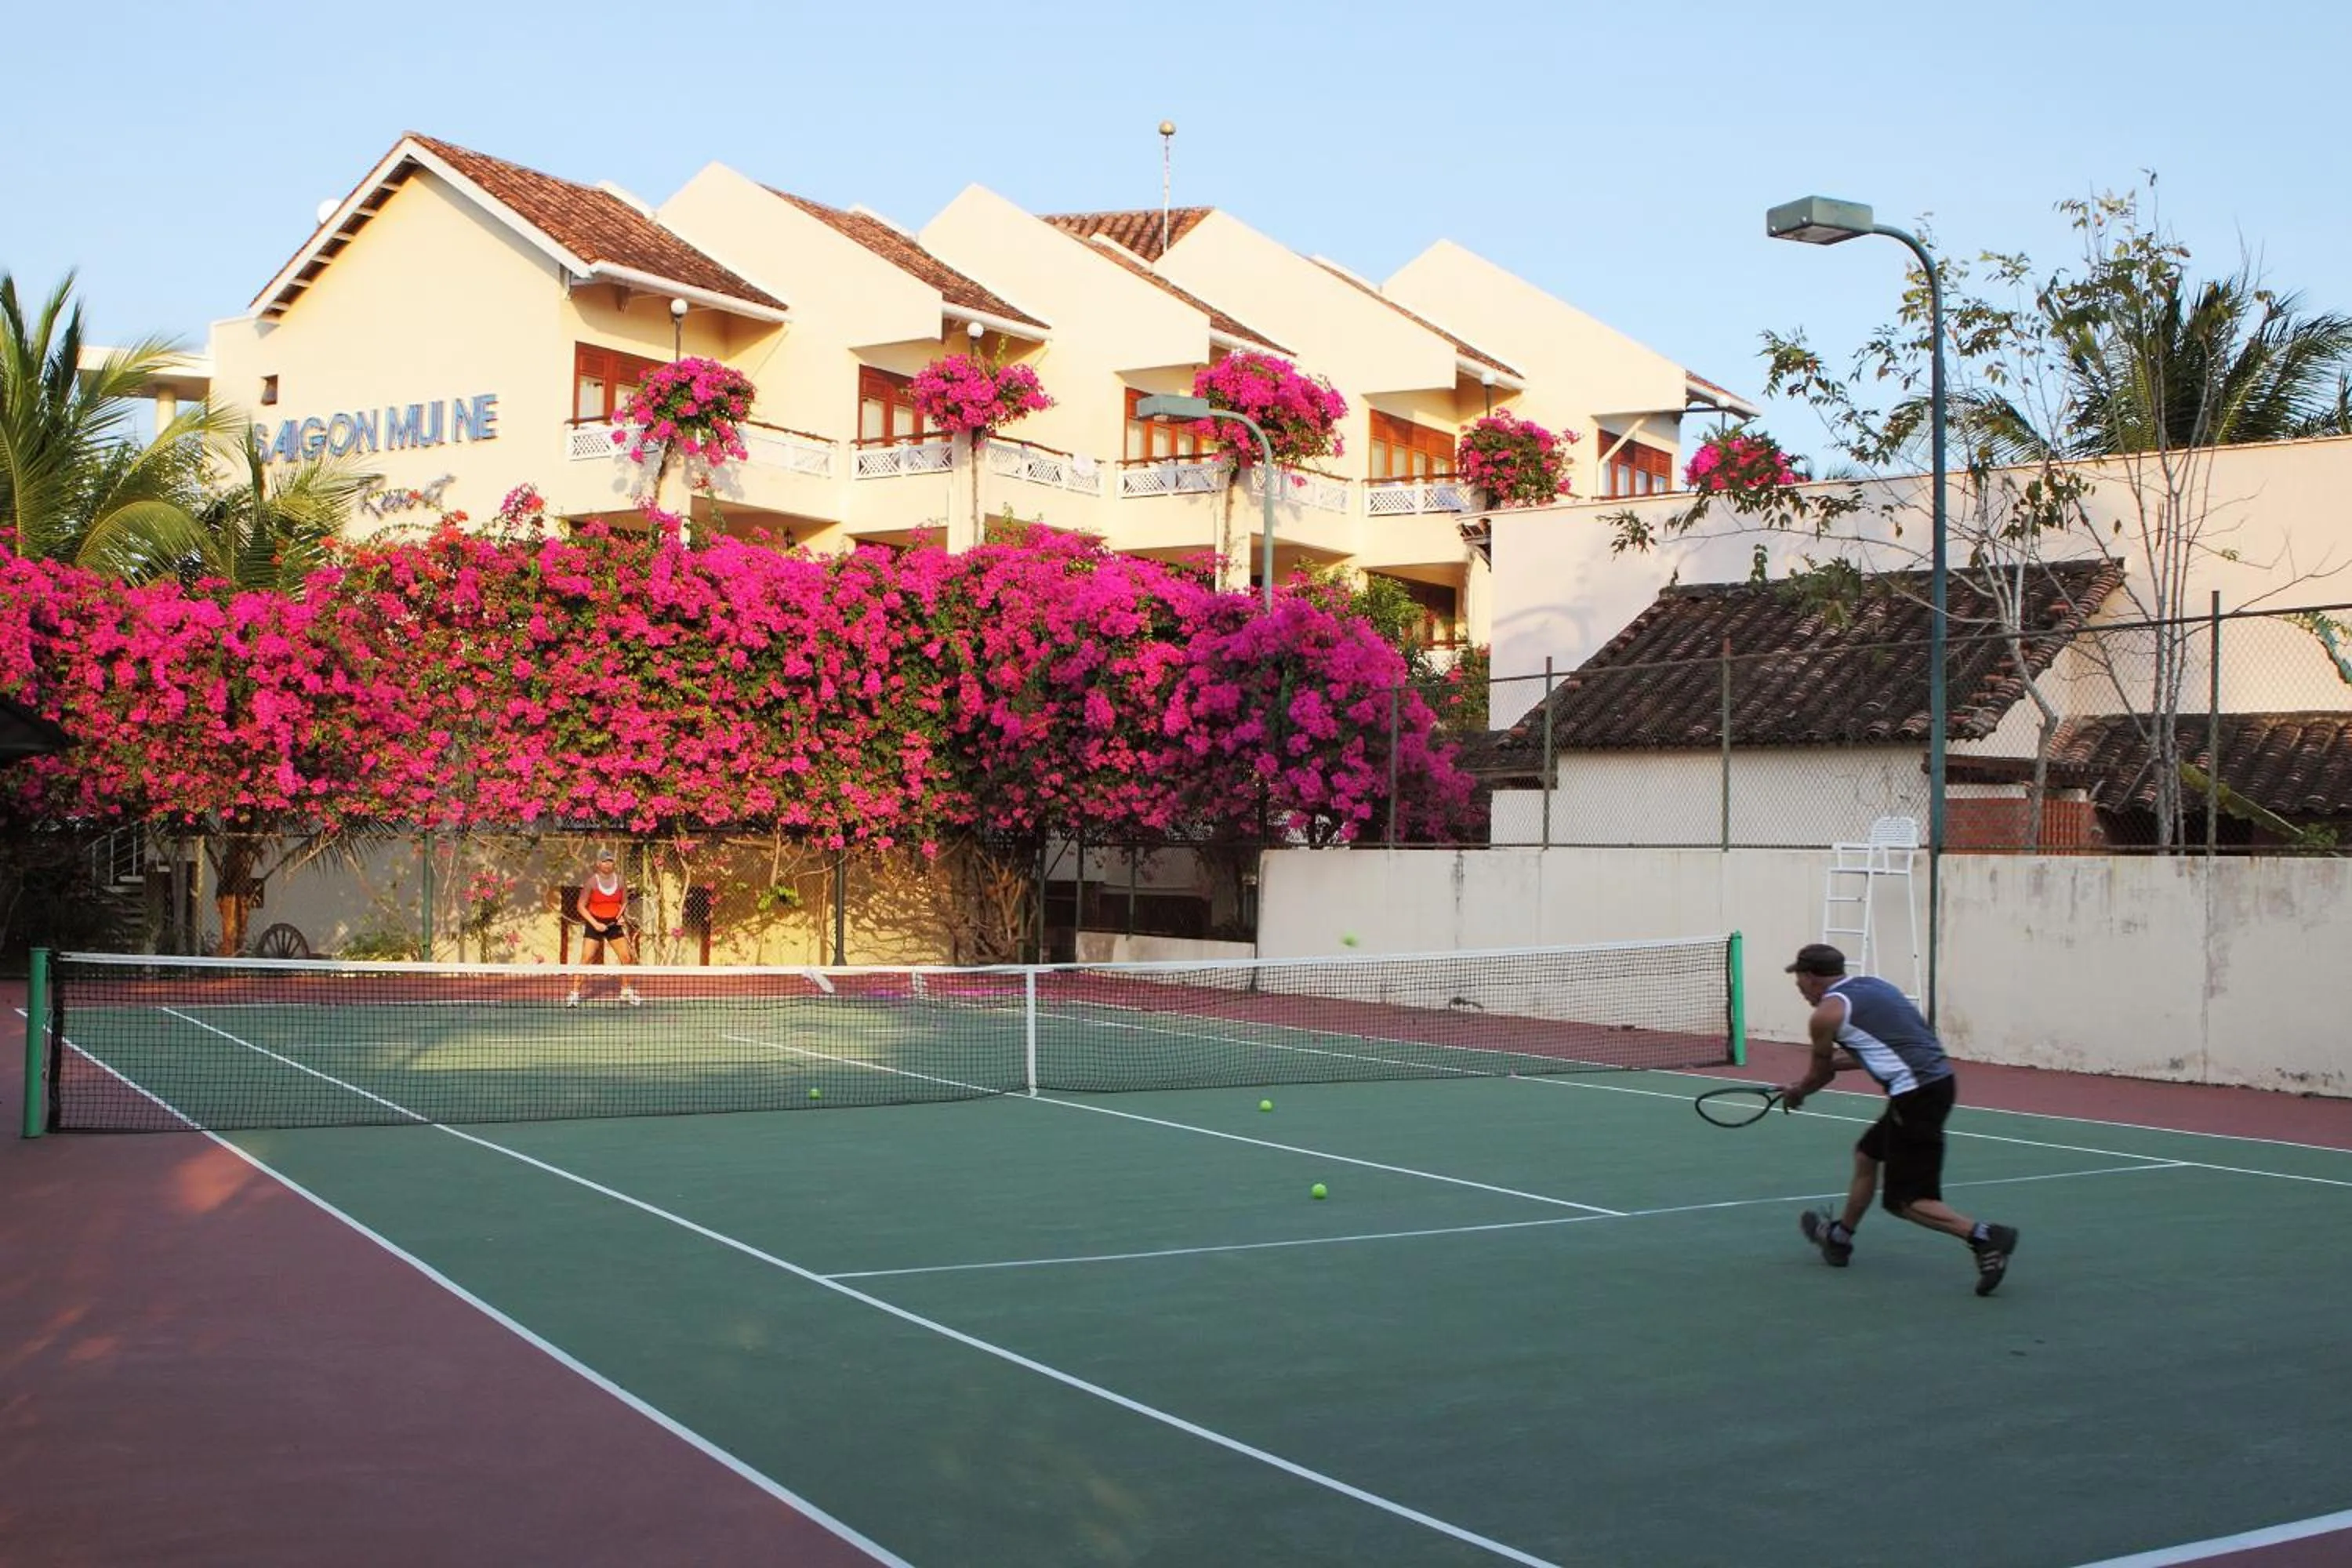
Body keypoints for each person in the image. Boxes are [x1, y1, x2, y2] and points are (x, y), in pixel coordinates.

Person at [1777, 943, 2017, 1295]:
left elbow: (1821, 1074)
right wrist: (1818, 1071)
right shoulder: (1876, 987)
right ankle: (1840, 1238)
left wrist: (1797, 1092)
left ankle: (1984, 1236)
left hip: (1916, 1096)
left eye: (1799, 981)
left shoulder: (1826, 1015)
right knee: (1868, 1154)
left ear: (1811, 977)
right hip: (1936, 1084)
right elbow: (1890, 1045)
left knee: (1905, 1202)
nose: (1800, 990)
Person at [567, 851, 641, 1007]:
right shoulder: (591, 883)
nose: (608, 864)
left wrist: (619, 916)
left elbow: (624, 902)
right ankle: (574, 994)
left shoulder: (620, 881)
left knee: (627, 958)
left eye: (610, 861)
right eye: (604, 861)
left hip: (613, 924)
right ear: (598, 864)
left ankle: (625, 991)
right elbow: (580, 906)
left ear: (614, 864)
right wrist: (595, 924)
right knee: (587, 958)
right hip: (595, 923)